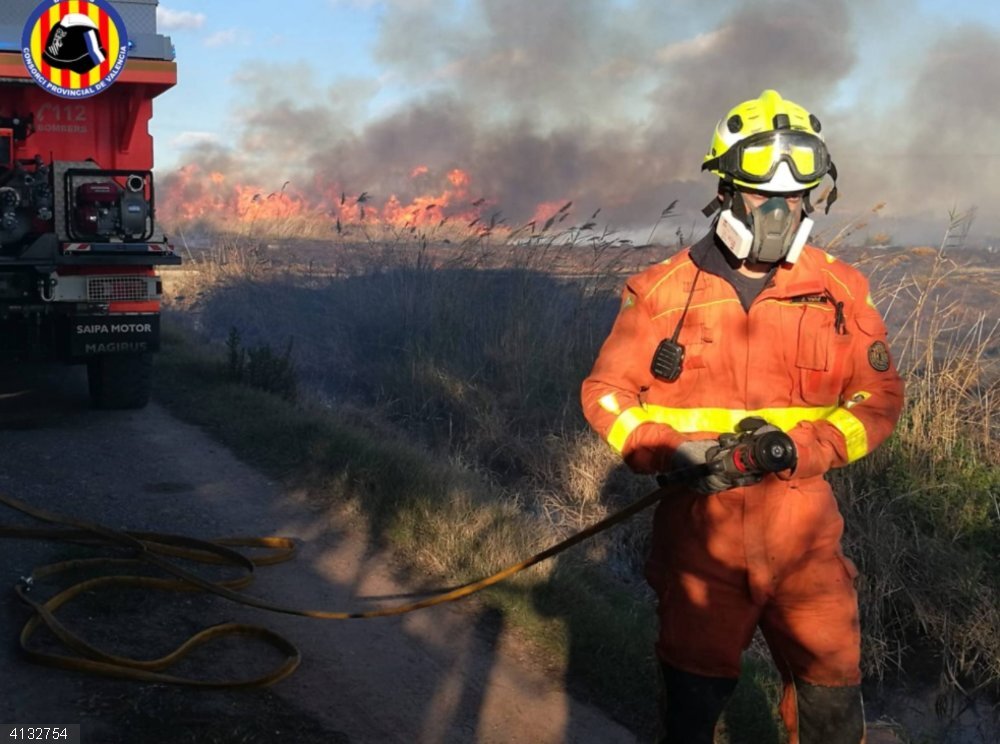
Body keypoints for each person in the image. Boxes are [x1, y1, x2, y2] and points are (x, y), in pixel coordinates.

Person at [580, 89, 904, 743]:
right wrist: (670, 451)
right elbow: (606, 394)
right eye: (763, 197)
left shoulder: (840, 292)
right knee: (692, 713)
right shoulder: (662, 292)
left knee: (831, 714)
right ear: (726, 192)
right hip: (702, 546)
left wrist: (802, 450)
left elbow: (878, 400)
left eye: (797, 198)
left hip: (807, 544)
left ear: (814, 198)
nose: (781, 213)